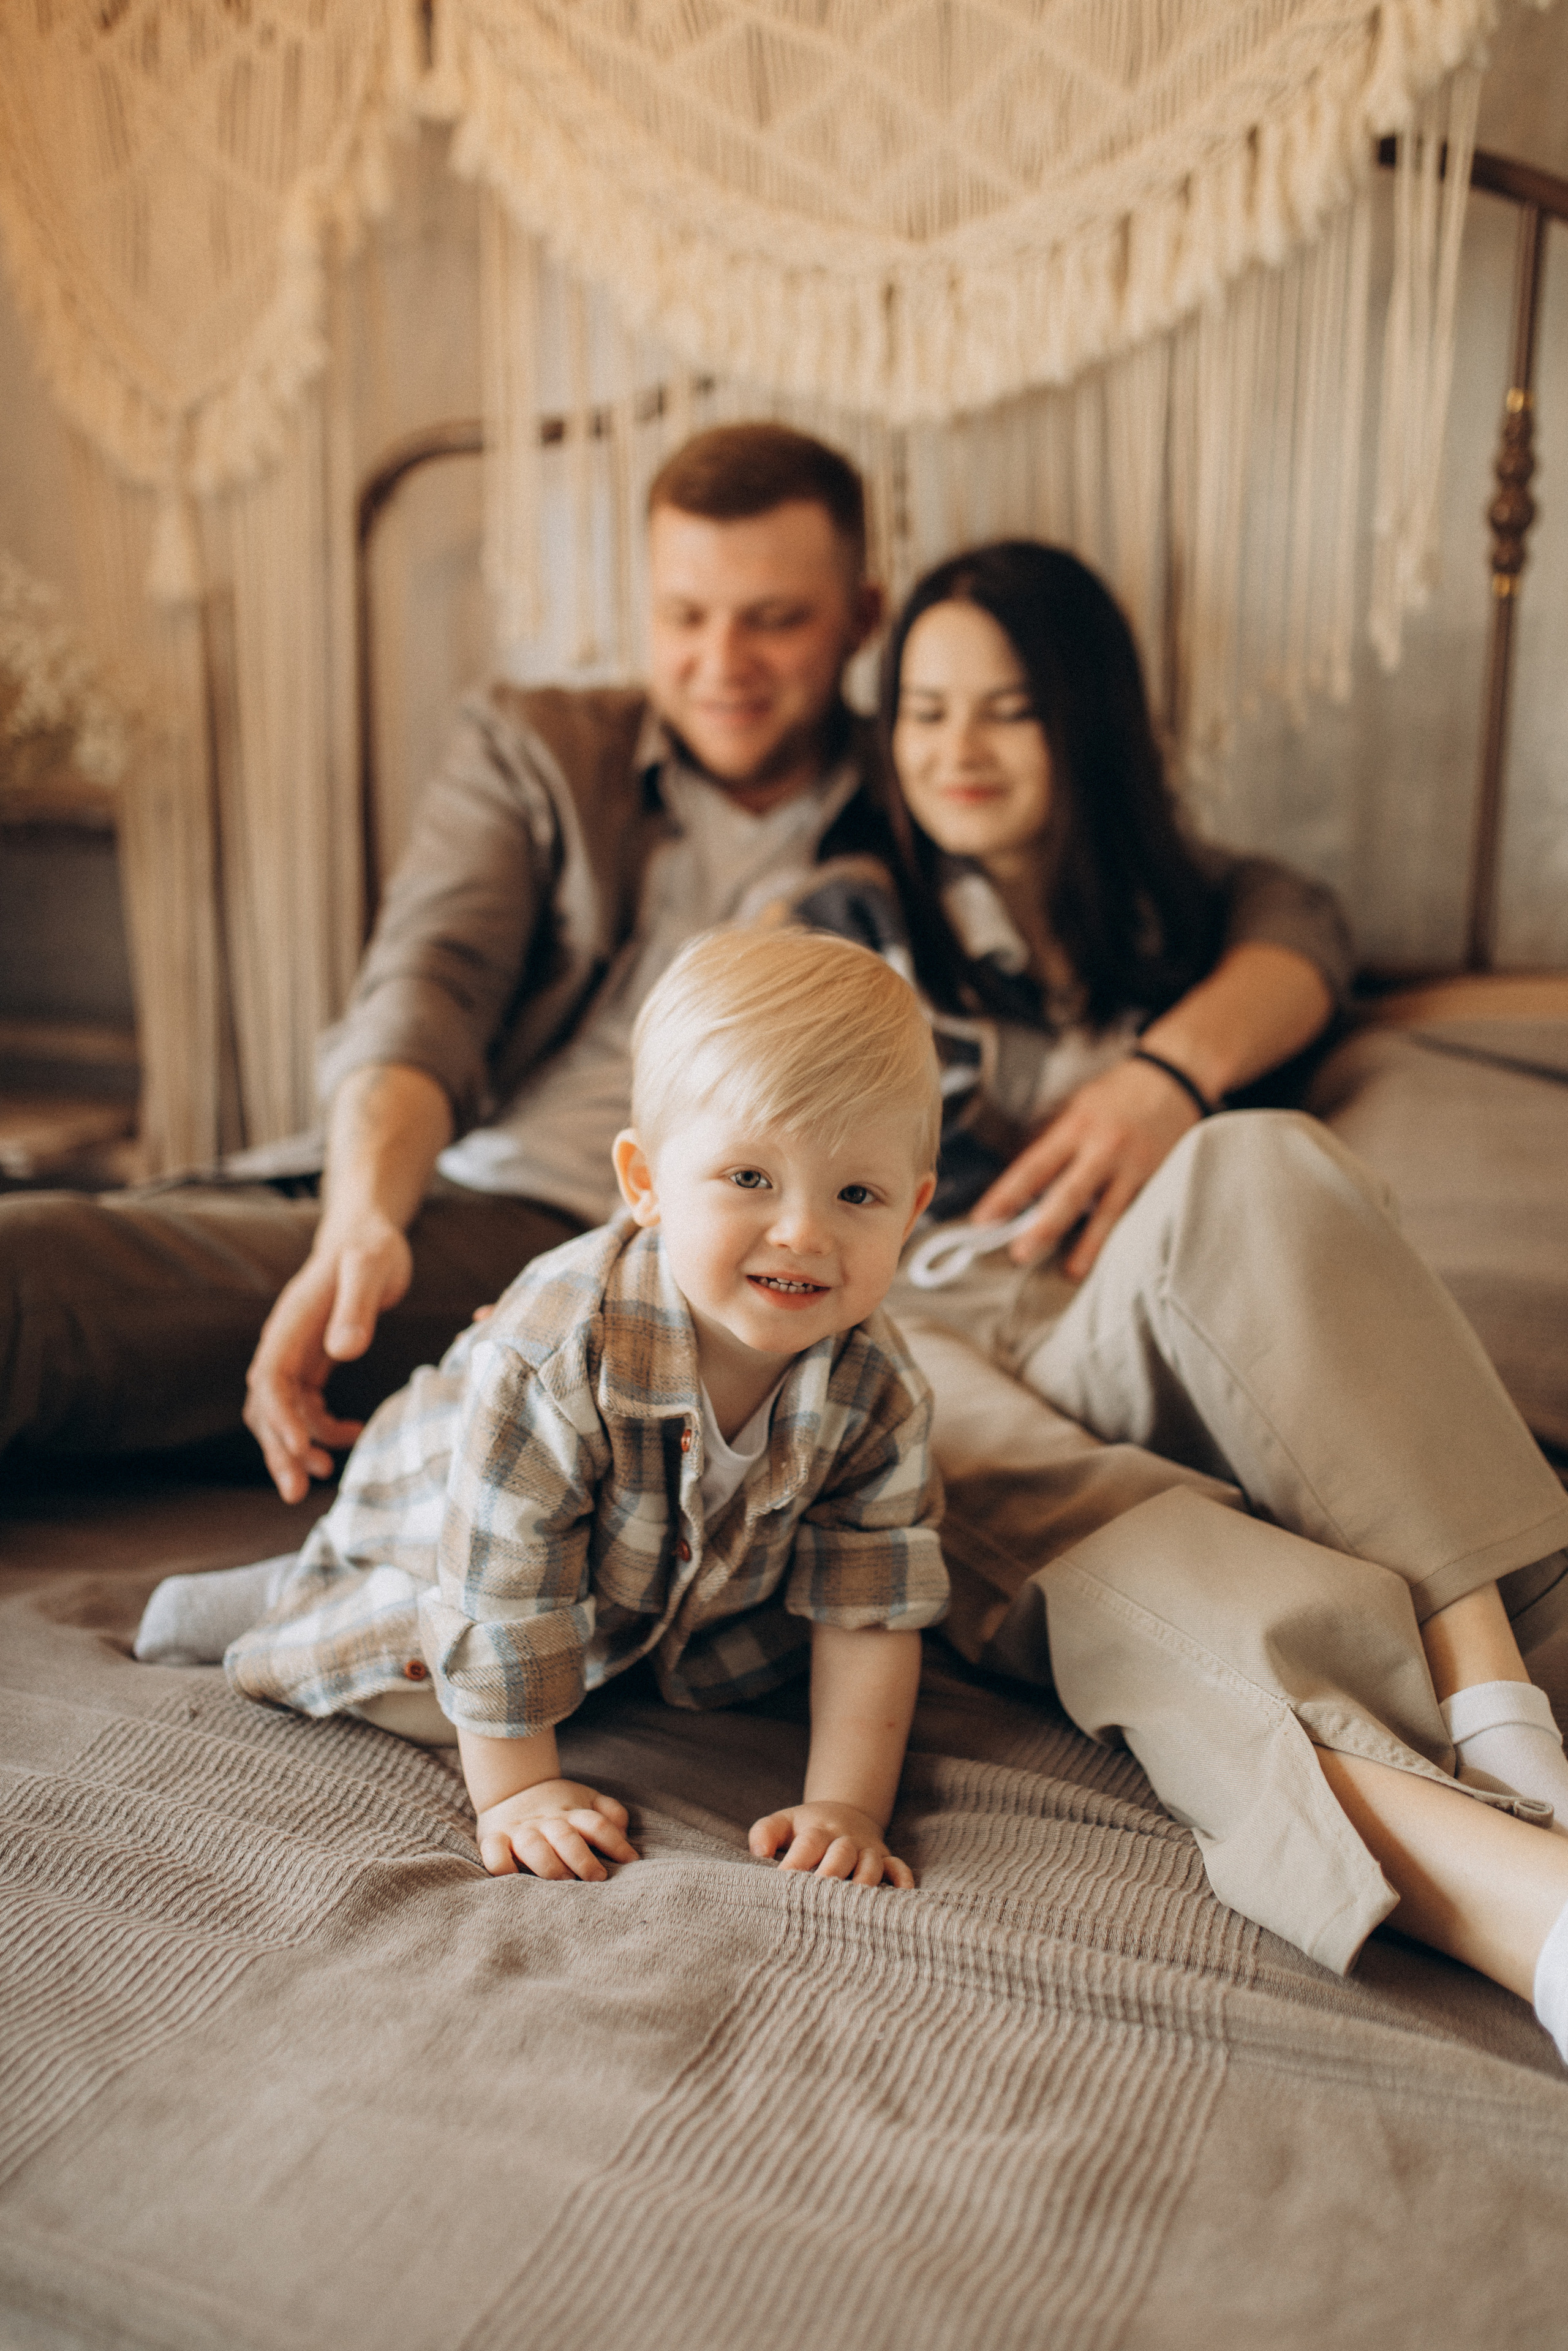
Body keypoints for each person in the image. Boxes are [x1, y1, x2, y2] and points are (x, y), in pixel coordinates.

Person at [0, 428, 1347, 1499]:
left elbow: (1285, 914)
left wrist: (1168, 1073)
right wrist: (363, 1214)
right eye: (684, 615)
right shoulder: (540, 749)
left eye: (774, 620)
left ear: (861, 617)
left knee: (48, 1284)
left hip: (643, 1241)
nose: (721, 664)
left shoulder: (925, 783)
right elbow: (425, 993)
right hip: (436, 1182)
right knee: (79, 1257)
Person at [767, 539, 1568, 2052]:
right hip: (936, 1333)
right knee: (1113, 1522)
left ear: (1087, 719)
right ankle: (1526, 1902)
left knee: (1251, 1157)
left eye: (1006, 708)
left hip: (1156, 1327)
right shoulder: (847, 918)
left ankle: (1500, 1700)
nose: (954, 748)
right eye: (922, 711)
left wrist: (1167, 1075)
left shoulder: (1197, 909)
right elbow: (735, 1130)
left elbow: (1308, 936)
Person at [134, 930, 949, 1887]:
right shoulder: (562, 1349)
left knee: (729, 1669)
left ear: (912, 1211)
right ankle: (287, 1595)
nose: (804, 1230)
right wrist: (519, 1793)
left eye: (857, 1193)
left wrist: (848, 1807)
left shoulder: (881, 1390)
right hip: (454, 1524)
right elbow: (499, 1588)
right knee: (430, 1685)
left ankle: (513, 1637)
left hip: (649, 1591)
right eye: (750, 1178)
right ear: (645, 1183)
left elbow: (869, 1610)